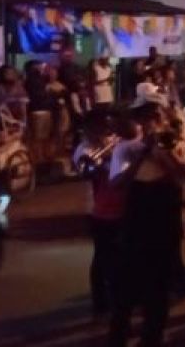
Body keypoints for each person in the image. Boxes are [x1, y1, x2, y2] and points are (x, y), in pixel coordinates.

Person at [107, 101, 185, 347]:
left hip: (165, 221)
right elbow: (117, 183)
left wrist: (166, 157)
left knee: (159, 289)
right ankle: (118, 336)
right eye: (147, 117)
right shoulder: (126, 149)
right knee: (126, 286)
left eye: (157, 116)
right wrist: (142, 155)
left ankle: (152, 338)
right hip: (136, 221)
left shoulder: (179, 146)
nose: (153, 121)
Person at [72, 108, 123, 318]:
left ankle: (112, 298)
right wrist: (105, 158)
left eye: (108, 128)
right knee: (103, 258)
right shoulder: (84, 149)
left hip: (120, 207)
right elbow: (87, 170)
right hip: (97, 211)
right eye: (102, 128)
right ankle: (102, 302)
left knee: (117, 255)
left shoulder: (114, 142)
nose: (106, 132)